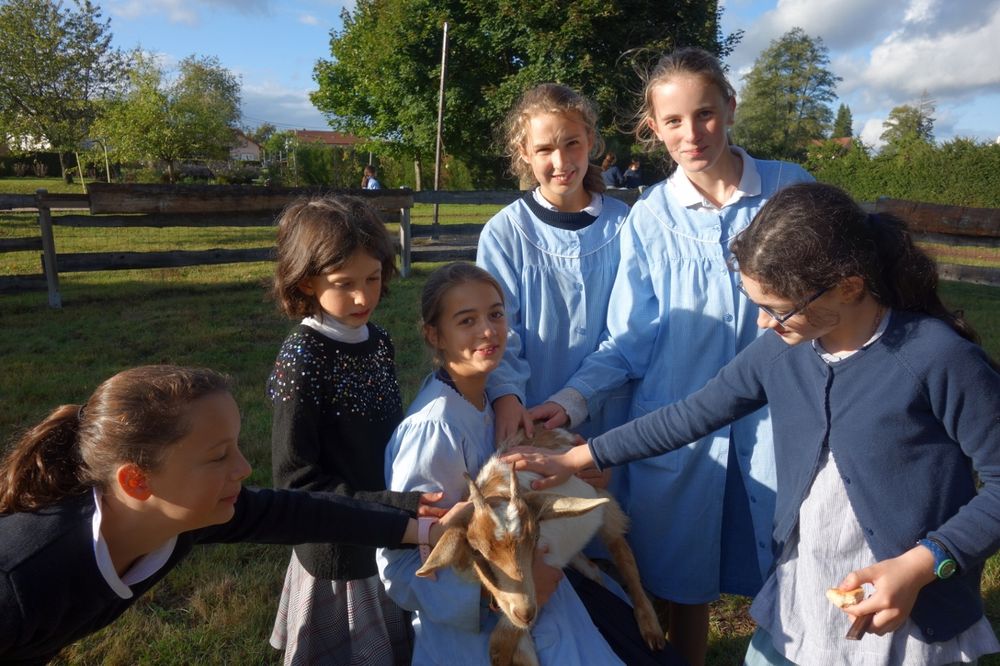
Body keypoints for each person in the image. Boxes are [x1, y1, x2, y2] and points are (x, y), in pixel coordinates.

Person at [508, 182, 1000, 666]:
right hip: (803, 591)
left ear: (849, 286)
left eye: (778, 310)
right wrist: (577, 457)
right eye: (757, 306)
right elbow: (695, 412)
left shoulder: (937, 359)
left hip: (906, 609)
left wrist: (922, 565)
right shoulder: (783, 350)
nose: (763, 324)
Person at [527, 47, 813, 666]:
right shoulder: (650, 218)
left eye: (705, 113)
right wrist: (569, 401)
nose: (692, 134)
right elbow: (631, 338)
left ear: (731, 108)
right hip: (681, 434)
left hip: (780, 427)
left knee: (794, 569)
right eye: (674, 121)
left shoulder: (792, 191)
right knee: (683, 586)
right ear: (652, 129)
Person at [0, 364, 461, 664]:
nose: (244, 468)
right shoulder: (20, 581)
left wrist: (421, 528)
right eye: (219, 456)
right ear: (136, 481)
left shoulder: (179, 520)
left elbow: (302, 514)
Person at [378, 262, 680, 666]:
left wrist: (579, 472)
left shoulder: (492, 402)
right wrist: (496, 592)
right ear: (435, 334)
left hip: (543, 590)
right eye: (467, 320)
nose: (488, 331)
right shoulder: (434, 430)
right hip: (478, 631)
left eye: (496, 314)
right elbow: (399, 564)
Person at [268, 195, 437, 664]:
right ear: (306, 281)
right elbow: (295, 482)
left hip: (389, 531)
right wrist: (400, 508)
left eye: (374, 279)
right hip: (341, 554)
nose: (364, 297)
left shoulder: (379, 341)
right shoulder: (303, 358)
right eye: (344, 284)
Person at [476, 83, 633, 446]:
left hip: (612, 417)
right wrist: (506, 395)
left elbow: (631, 328)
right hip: (527, 420)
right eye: (545, 149)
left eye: (571, 144)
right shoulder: (505, 233)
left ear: (590, 140)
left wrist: (578, 395)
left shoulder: (625, 225)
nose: (560, 162)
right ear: (524, 152)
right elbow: (498, 329)